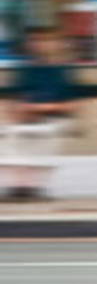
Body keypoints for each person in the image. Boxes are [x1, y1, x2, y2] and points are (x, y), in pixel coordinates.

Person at [2, 28, 80, 201]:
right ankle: (18, 186)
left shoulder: (63, 72)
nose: (39, 45)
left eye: (45, 41)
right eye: (35, 41)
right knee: (9, 135)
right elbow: (14, 100)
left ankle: (34, 186)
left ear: (56, 45)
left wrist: (41, 108)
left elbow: (72, 105)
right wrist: (18, 114)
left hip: (55, 117)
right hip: (26, 118)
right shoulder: (25, 71)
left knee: (44, 136)